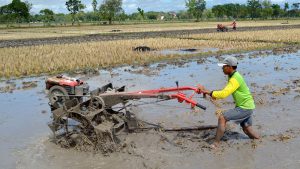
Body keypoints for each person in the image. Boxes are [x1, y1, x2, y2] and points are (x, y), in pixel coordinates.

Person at [198, 56, 260, 149]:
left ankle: (215, 144)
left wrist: (207, 92)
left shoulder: (235, 79)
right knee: (247, 129)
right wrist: (212, 94)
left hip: (245, 107)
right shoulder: (232, 75)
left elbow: (224, 93)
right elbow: (225, 91)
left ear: (230, 67)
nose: (222, 68)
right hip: (247, 106)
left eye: (224, 66)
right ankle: (259, 141)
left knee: (222, 117)